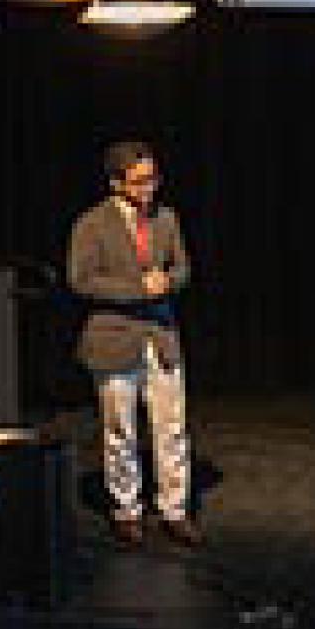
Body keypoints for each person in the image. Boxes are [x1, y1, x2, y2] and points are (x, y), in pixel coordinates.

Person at [67, 140, 201, 547]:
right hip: (114, 339)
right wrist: (137, 289)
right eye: (140, 182)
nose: (149, 189)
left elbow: (183, 269)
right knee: (121, 429)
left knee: (172, 428)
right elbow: (82, 280)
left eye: (153, 179)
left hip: (160, 337)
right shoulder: (91, 224)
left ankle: (174, 510)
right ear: (116, 184)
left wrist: (168, 281)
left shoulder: (167, 218)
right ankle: (126, 509)